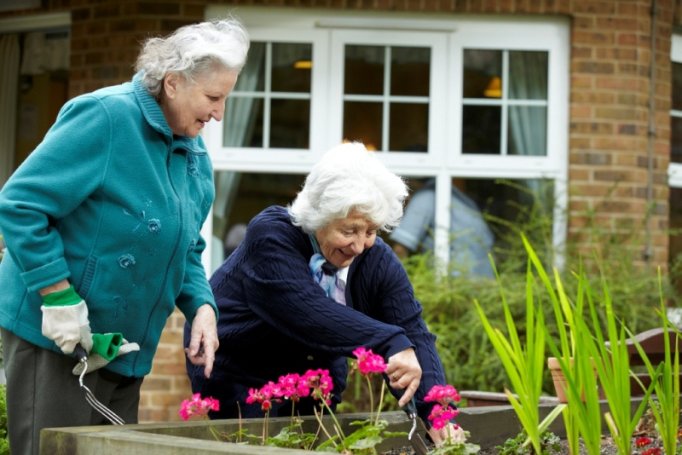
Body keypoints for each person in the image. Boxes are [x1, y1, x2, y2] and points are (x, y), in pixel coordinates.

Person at [0, 17, 249, 455]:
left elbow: (187, 245)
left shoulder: (193, 153)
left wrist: (202, 307)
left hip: (124, 351)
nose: (219, 113)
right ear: (172, 83)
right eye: (213, 97)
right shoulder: (105, 117)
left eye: (226, 98)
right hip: (57, 337)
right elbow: (20, 205)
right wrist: (57, 297)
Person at [185, 142, 460, 445]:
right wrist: (389, 342)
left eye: (370, 231)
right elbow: (306, 312)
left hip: (315, 378)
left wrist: (437, 413)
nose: (359, 246)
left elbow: (413, 331)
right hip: (242, 374)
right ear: (319, 216)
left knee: (317, 443)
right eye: (349, 230)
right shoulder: (271, 236)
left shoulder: (376, 259)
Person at [390, 179, 495, 278]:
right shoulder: (458, 198)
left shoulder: (424, 197)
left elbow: (400, 249)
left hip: (457, 281)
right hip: (484, 279)